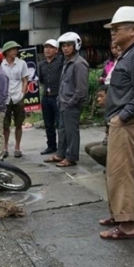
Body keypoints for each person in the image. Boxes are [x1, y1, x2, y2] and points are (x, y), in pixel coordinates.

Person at [99, 6, 134, 240]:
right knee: (114, 171)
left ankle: (127, 226)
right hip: (120, 122)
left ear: (133, 30)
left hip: (128, 123)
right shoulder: (128, 53)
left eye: (117, 28)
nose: (113, 32)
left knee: (122, 173)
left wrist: (122, 116)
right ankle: (118, 215)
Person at [44, 32, 89, 167]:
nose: (65, 48)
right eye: (63, 45)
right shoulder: (67, 61)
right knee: (62, 130)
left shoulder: (79, 63)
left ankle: (71, 157)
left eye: (69, 45)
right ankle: (61, 154)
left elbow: (81, 89)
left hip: (72, 104)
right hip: (63, 102)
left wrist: (71, 103)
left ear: (76, 46)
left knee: (71, 132)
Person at [0, 41, 29, 158]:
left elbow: (25, 80)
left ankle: (17, 147)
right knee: (5, 125)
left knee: (18, 124)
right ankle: (5, 147)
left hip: (18, 96)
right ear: (6, 52)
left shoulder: (22, 63)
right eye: (13, 49)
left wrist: (22, 93)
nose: (15, 51)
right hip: (5, 98)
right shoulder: (0, 64)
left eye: (16, 49)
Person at [38, 39, 63, 155]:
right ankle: (51, 146)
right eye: (46, 47)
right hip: (46, 96)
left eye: (51, 47)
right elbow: (41, 80)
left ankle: (63, 147)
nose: (47, 50)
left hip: (57, 95)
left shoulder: (61, 61)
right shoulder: (41, 64)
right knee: (48, 123)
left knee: (59, 123)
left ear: (56, 50)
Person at [84, 85, 109, 167]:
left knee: (95, 151)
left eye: (101, 96)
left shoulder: (114, 111)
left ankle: (114, 168)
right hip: (108, 141)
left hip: (117, 145)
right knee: (88, 147)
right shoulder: (106, 110)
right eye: (98, 96)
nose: (98, 99)